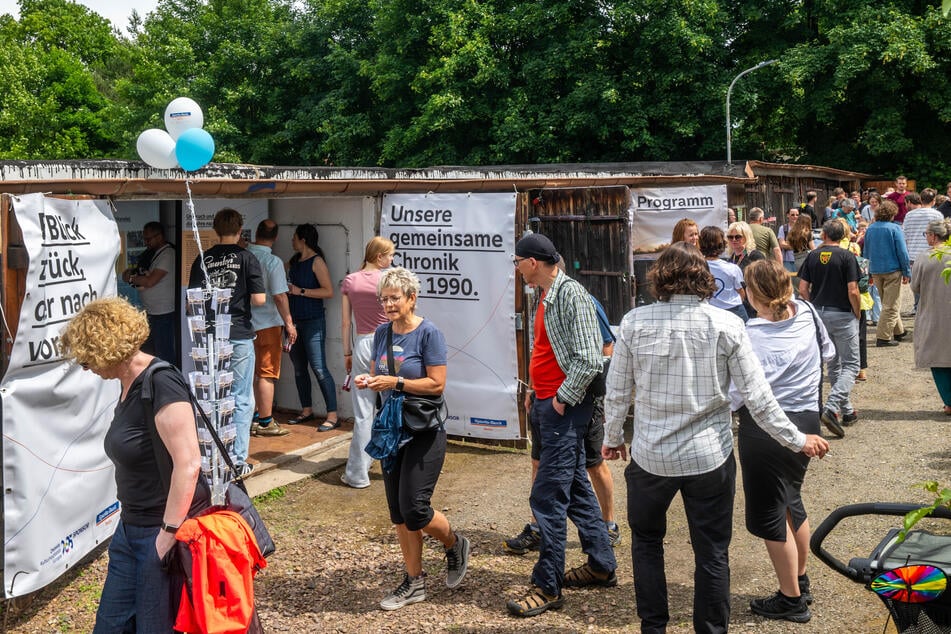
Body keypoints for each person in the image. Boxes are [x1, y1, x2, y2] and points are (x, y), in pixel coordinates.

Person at [601, 243, 829, 634]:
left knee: (647, 544)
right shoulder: (727, 324)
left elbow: (618, 391)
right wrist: (797, 439)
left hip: (652, 456)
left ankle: (653, 627)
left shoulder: (635, 322)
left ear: (660, 279)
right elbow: (758, 398)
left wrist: (612, 437)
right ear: (703, 280)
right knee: (711, 552)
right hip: (709, 457)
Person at [59, 297, 208, 632]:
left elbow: (189, 463)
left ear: (106, 350)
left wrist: (166, 536)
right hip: (130, 528)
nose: (88, 369)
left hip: (159, 530)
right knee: (111, 625)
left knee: (155, 626)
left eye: (87, 360)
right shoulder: (128, 384)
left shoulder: (161, 381)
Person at [506, 233, 616, 618]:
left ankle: (547, 586)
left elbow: (590, 360)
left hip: (564, 410)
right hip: (550, 405)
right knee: (575, 489)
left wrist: (559, 398)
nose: (516, 267)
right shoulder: (547, 295)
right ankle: (601, 564)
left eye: (517, 261)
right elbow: (547, 351)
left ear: (533, 262)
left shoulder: (571, 295)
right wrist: (537, 391)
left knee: (547, 498)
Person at [353, 267, 470, 610]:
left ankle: (454, 543)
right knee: (398, 514)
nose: (388, 304)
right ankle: (414, 581)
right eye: (384, 299)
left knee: (415, 509)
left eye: (394, 298)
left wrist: (395, 384)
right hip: (392, 430)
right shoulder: (381, 333)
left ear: (411, 298)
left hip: (424, 430)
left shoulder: (429, 333)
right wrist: (370, 380)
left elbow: (437, 384)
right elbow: (382, 375)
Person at [731, 259, 835, 623]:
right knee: (792, 499)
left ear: (752, 293)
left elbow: (736, 393)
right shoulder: (805, 310)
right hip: (807, 415)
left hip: (766, 427)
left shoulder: (750, 333)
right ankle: (799, 580)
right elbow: (829, 353)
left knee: (769, 513)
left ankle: (790, 597)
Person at [504, 289, 622, 555]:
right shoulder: (540, 303)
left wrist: (599, 395)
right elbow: (539, 352)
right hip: (546, 400)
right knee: (539, 462)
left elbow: (606, 346)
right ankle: (537, 529)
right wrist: (532, 389)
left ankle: (609, 525)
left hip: (581, 400)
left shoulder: (584, 300)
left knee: (593, 463)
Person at [188, 208, 266, 475]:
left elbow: (193, 302)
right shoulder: (247, 258)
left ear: (215, 230)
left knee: (213, 395)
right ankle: (238, 460)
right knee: (242, 397)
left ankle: (214, 454)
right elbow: (259, 300)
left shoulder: (202, 258)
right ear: (240, 228)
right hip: (239, 333)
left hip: (208, 335)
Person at [339, 236, 395, 489]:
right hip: (389, 342)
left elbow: (345, 322)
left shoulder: (351, 280)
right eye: (390, 254)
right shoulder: (389, 279)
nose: (392, 259)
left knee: (363, 413)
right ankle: (395, 466)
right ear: (380, 256)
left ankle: (357, 474)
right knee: (394, 407)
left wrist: (347, 353)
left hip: (362, 343)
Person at [798, 220, 861, 438]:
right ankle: (832, 406)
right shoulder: (847, 256)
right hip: (842, 312)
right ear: (843, 236)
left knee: (834, 363)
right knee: (852, 364)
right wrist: (858, 312)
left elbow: (803, 288)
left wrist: (812, 308)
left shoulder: (813, 256)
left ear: (823, 234)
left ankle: (847, 410)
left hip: (819, 313)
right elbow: (853, 290)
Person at [248, 219, 297, 438]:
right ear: (276, 237)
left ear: (256, 232)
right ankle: (266, 422)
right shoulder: (272, 261)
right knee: (267, 373)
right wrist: (289, 322)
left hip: (244, 324)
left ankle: (252, 416)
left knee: (251, 373)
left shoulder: (244, 255)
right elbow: (279, 295)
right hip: (268, 323)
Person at [286, 223, 338, 430]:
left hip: (313, 321)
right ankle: (306, 410)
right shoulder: (293, 262)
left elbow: (328, 291)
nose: (292, 241)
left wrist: (302, 292)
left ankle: (332, 415)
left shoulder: (317, 261)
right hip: (294, 322)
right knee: (299, 369)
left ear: (303, 240)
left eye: (294, 237)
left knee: (318, 367)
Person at [911, 219, 951, 416]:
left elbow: (915, 287)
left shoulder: (925, 257)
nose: (926, 237)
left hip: (933, 312)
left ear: (934, 236)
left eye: (926, 234)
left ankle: (949, 401)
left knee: (937, 357)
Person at [122, 222, 177, 364]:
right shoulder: (152, 254)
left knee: (164, 353)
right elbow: (137, 274)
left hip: (164, 313)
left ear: (160, 236)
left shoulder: (168, 254)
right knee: (152, 352)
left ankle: (167, 382)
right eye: (144, 239)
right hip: (152, 312)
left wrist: (133, 278)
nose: (146, 243)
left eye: (148, 239)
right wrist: (133, 276)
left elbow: (150, 281)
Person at [863, 199, 911, 346]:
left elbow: (866, 251)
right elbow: (902, 252)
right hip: (892, 270)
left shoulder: (870, 229)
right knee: (891, 305)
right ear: (892, 214)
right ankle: (883, 337)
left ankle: (899, 331)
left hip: (876, 270)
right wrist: (906, 271)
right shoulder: (895, 228)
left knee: (887, 302)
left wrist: (867, 272)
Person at [699, 225, 748, 321]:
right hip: (734, 310)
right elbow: (741, 292)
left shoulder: (697, 268)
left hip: (709, 311)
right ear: (722, 244)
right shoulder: (732, 268)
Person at [777, 207, 800, 272]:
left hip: (800, 259)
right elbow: (781, 244)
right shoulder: (783, 228)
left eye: (797, 215)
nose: (795, 216)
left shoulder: (802, 228)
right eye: (792, 215)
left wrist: (788, 244)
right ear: (788, 215)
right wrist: (796, 246)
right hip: (787, 260)